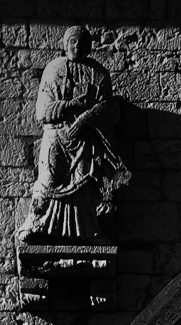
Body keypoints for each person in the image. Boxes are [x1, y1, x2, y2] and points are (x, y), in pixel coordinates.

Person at [19, 27, 129, 243]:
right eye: (72, 41)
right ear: (65, 44)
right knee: (48, 179)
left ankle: (88, 232)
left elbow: (109, 110)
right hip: (56, 135)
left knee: (85, 183)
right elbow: (43, 111)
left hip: (85, 138)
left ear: (88, 47)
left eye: (81, 42)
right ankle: (36, 224)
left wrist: (85, 119)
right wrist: (71, 105)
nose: (76, 46)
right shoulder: (53, 69)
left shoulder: (99, 74)